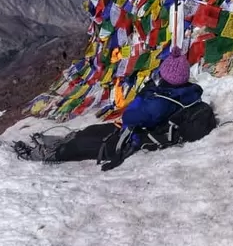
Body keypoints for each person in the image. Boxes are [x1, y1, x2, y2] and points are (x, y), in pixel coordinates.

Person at [13, 46, 217, 169]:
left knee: (84, 144)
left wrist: (146, 94)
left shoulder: (161, 101)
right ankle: (55, 143)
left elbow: (132, 116)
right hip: (139, 129)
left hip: (137, 137)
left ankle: (44, 154)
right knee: (91, 131)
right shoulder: (188, 92)